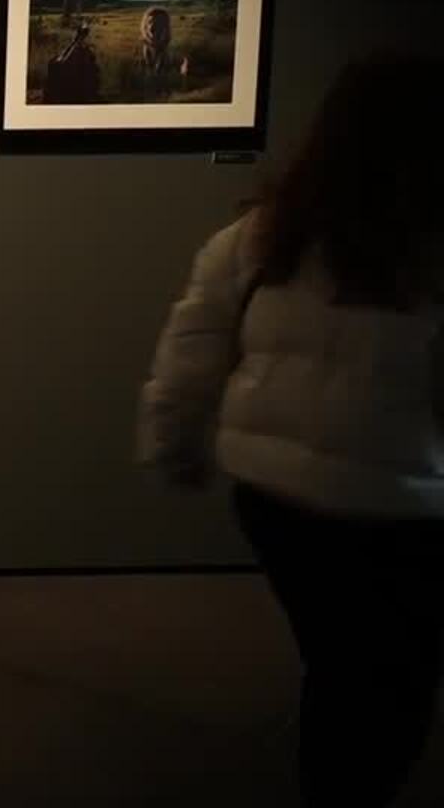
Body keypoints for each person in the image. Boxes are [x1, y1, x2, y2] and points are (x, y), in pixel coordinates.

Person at [138, 53, 444, 807]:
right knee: (390, 680)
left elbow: (190, 355)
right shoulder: (428, 245)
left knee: (342, 663)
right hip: (408, 506)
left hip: (279, 501)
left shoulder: (258, 238)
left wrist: (174, 444)